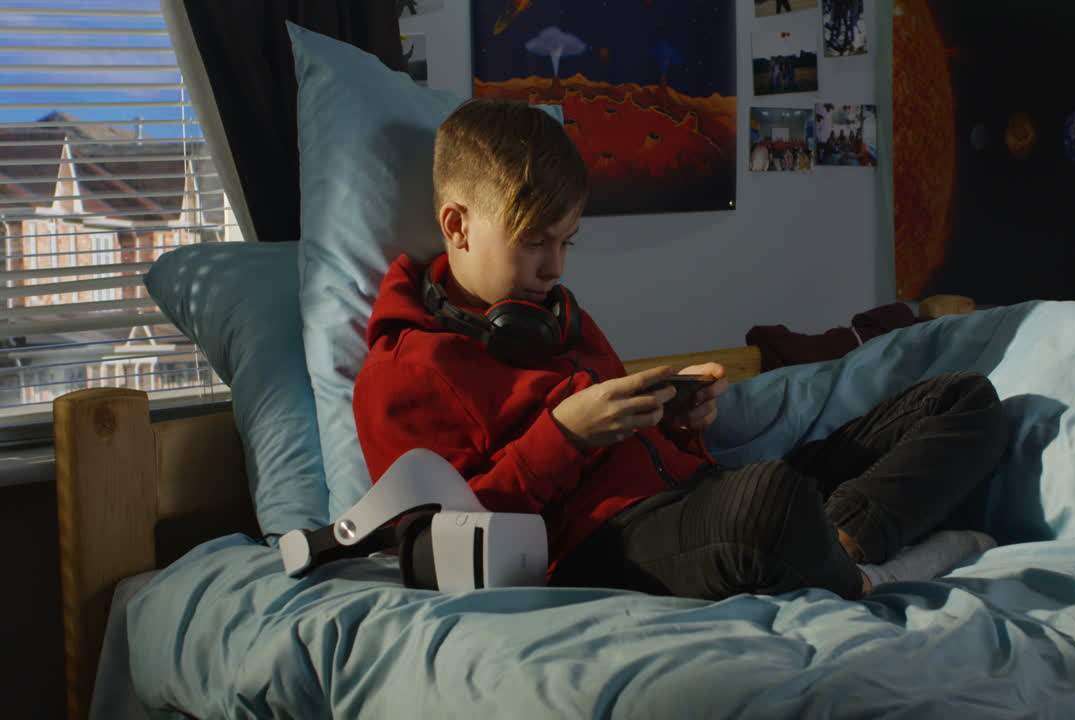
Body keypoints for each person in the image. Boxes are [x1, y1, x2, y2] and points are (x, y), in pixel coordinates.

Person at [353, 98, 1009, 601]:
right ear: (458, 226)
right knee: (770, 502)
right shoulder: (402, 374)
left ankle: (838, 544)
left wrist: (677, 420)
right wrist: (564, 436)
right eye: (534, 242)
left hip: (697, 495)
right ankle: (861, 572)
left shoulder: (557, 316)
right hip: (602, 546)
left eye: (567, 242)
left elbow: (653, 453)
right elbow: (439, 549)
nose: (555, 267)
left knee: (965, 400)